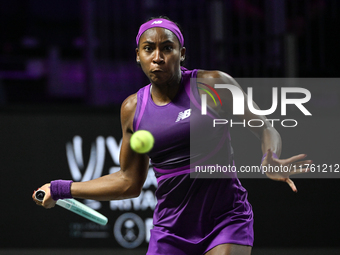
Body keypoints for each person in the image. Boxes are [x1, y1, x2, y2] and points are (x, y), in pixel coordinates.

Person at [33, 16, 311, 255]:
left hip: (226, 219)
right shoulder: (133, 109)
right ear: (138, 56)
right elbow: (128, 182)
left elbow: (264, 126)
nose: (158, 57)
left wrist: (269, 155)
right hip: (171, 229)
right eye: (149, 49)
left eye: (167, 48)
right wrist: (60, 188)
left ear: (182, 53)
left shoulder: (211, 85)